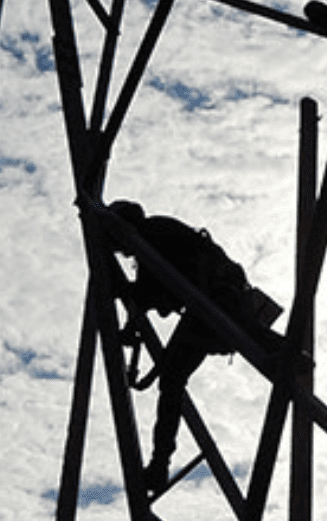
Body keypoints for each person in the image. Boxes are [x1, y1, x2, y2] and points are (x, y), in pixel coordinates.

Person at [105, 200, 283, 493]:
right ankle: (159, 465)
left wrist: (126, 298)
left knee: (183, 372)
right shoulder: (154, 236)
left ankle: (287, 352)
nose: (121, 252)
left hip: (215, 300)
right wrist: (130, 320)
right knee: (173, 379)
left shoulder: (152, 232)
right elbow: (156, 294)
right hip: (207, 306)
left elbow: (151, 292)